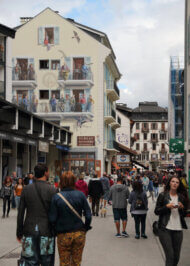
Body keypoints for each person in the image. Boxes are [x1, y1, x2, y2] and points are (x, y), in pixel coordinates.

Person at [49, 171, 92, 266]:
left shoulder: (57, 197)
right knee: (76, 261)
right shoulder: (81, 195)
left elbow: (52, 218)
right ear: (74, 181)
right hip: (79, 233)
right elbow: (88, 215)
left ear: (62, 182)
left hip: (63, 234)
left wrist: (55, 229)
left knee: (64, 262)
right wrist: (86, 227)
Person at [17, 164, 56, 265]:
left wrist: (19, 232)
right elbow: (55, 213)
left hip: (29, 230)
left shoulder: (26, 189)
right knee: (46, 261)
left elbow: (20, 213)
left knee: (28, 261)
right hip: (46, 231)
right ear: (46, 173)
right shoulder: (52, 190)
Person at [154, 176, 189, 266]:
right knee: (170, 256)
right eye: (173, 181)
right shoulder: (163, 195)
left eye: (177, 182)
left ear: (179, 185)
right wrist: (166, 207)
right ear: (169, 183)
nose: (175, 183)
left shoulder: (181, 197)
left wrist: (182, 208)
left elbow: (184, 214)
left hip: (178, 230)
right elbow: (157, 211)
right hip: (165, 229)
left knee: (176, 257)